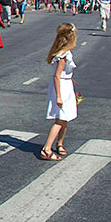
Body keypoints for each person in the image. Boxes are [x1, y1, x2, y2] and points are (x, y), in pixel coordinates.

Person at [40, 23, 78, 161]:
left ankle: (59, 143)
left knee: (65, 117)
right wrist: (59, 96)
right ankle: (46, 149)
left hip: (66, 84)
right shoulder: (64, 55)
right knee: (60, 118)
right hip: (61, 86)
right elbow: (57, 76)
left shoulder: (65, 52)